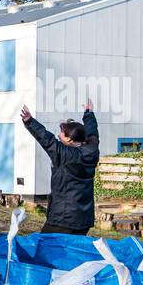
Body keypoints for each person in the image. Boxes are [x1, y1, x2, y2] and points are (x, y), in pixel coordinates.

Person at [21, 99, 100, 235]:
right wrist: (89, 113)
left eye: (62, 134)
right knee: (72, 253)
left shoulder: (65, 155)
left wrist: (29, 121)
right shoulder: (92, 149)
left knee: (45, 249)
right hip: (83, 220)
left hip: (63, 218)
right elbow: (92, 133)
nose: (59, 135)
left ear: (69, 140)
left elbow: (46, 139)